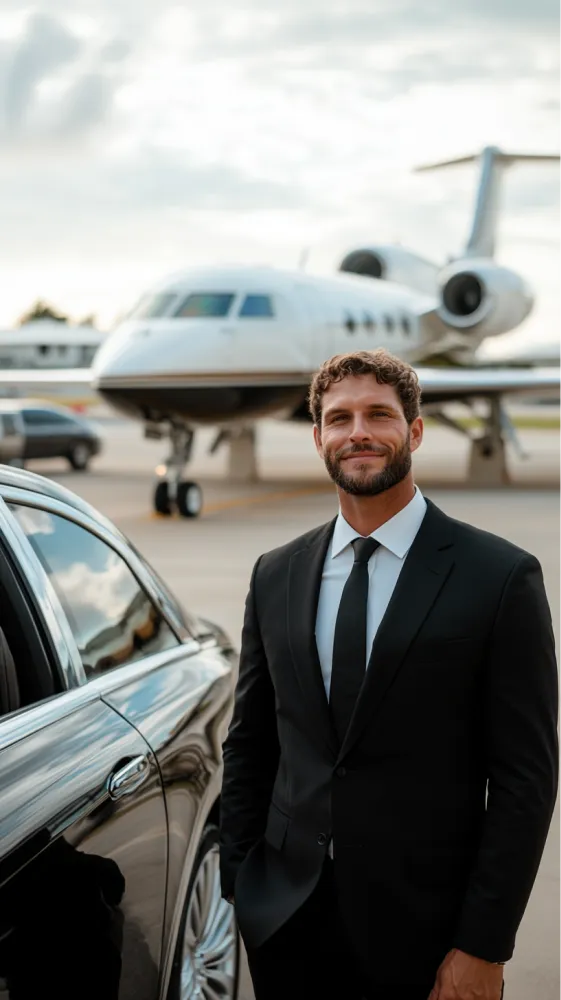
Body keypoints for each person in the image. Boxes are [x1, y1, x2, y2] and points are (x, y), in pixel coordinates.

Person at [219, 349, 559, 1000]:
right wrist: (242, 880)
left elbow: (524, 779)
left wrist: (483, 944)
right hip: (285, 922)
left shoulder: (499, 576)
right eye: (339, 418)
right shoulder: (276, 573)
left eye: (379, 414)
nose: (359, 433)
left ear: (415, 430)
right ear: (318, 436)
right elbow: (251, 739)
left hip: (428, 934)